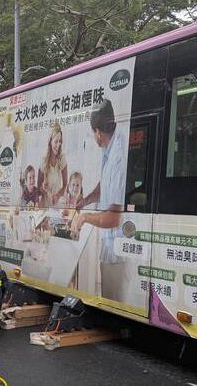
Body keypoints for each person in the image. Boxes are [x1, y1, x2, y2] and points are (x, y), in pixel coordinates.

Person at [71, 99, 129, 301]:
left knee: (112, 302)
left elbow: (114, 219)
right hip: (110, 249)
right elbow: (104, 184)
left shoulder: (118, 158)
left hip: (116, 253)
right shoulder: (111, 144)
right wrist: (85, 200)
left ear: (97, 132)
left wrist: (84, 217)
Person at [38, 123, 68, 207]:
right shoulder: (43, 161)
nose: (58, 145)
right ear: (50, 141)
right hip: (45, 205)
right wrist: (45, 191)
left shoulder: (62, 158)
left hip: (57, 204)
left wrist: (57, 196)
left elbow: (65, 184)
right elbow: (38, 188)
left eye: (60, 141)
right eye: (56, 141)